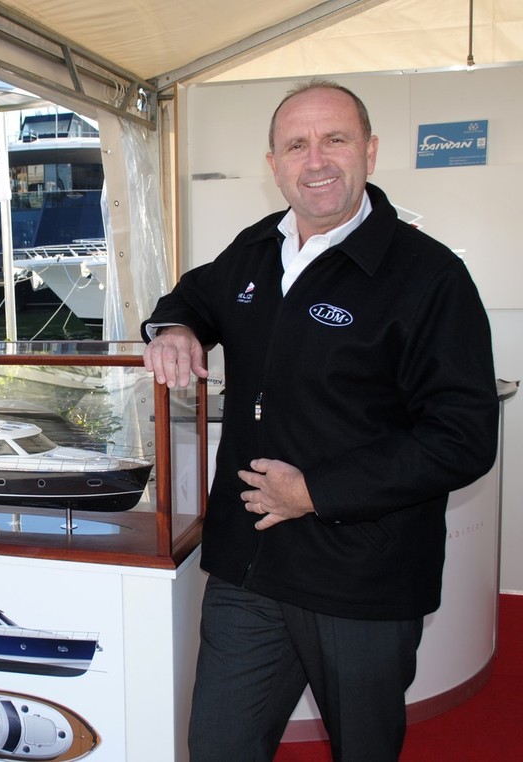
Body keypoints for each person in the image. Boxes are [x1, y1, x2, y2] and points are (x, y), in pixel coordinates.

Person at [142, 80, 499, 762]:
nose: (316, 161)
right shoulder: (257, 248)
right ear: (273, 164)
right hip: (248, 568)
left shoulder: (430, 276)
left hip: (361, 579)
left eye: (335, 139)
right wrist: (176, 328)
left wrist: (315, 492)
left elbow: (462, 437)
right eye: (296, 145)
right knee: (217, 747)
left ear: (369, 150)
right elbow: (192, 296)